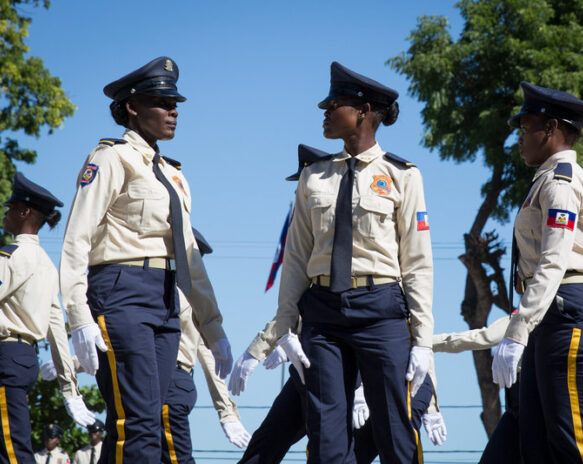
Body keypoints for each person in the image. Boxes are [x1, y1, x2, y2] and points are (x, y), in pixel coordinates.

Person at [237, 62, 435, 463]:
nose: (324, 112)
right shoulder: (314, 176)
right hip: (323, 313)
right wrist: (286, 326)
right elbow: (295, 258)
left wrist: (423, 341)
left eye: (334, 104)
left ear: (362, 111)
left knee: (395, 431)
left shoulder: (403, 176)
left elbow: (417, 262)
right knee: (327, 436)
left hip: (381, 310)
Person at [59, 56, 232, 464]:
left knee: (150, 423)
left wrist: (213, 326)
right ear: (132, 107)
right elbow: (76, 239)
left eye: (176, 104)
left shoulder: (173, 174)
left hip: (167, 299)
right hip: (120, 293)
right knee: (135, 421)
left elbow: (191, 260)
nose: (173, 111)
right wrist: (78, 316)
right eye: (161, 101)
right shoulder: (110, 158)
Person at [491, 81, 583, 463]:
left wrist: (517, 331)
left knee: (574, 449)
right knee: (535, 449)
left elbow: (554, 261)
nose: (520, 137)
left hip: (571, 313)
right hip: (553, 316)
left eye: (526, 127)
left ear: (551, 129)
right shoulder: (544, 181)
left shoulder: (561, 183)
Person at [0, 173, 95, 464]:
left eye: (11, 208)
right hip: (23, 358)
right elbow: (57, 330)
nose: (6, 214)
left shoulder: (9, 257)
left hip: (3, 356)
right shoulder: (46, 265)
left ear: (24, 212)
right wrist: (69, 387)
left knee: (13, 453)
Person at [434, 316, 583, 462]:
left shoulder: (552, 321)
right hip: (519, 410)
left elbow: (578, 374)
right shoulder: (518, 320)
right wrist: (425, 342)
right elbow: (479, 337)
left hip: (548, 411)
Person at [161, 228, 250, 463]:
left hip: (174, 381)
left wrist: (227, 413)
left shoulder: (186, 297)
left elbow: (211, 358)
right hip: (152, 383)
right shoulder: (154, 286)